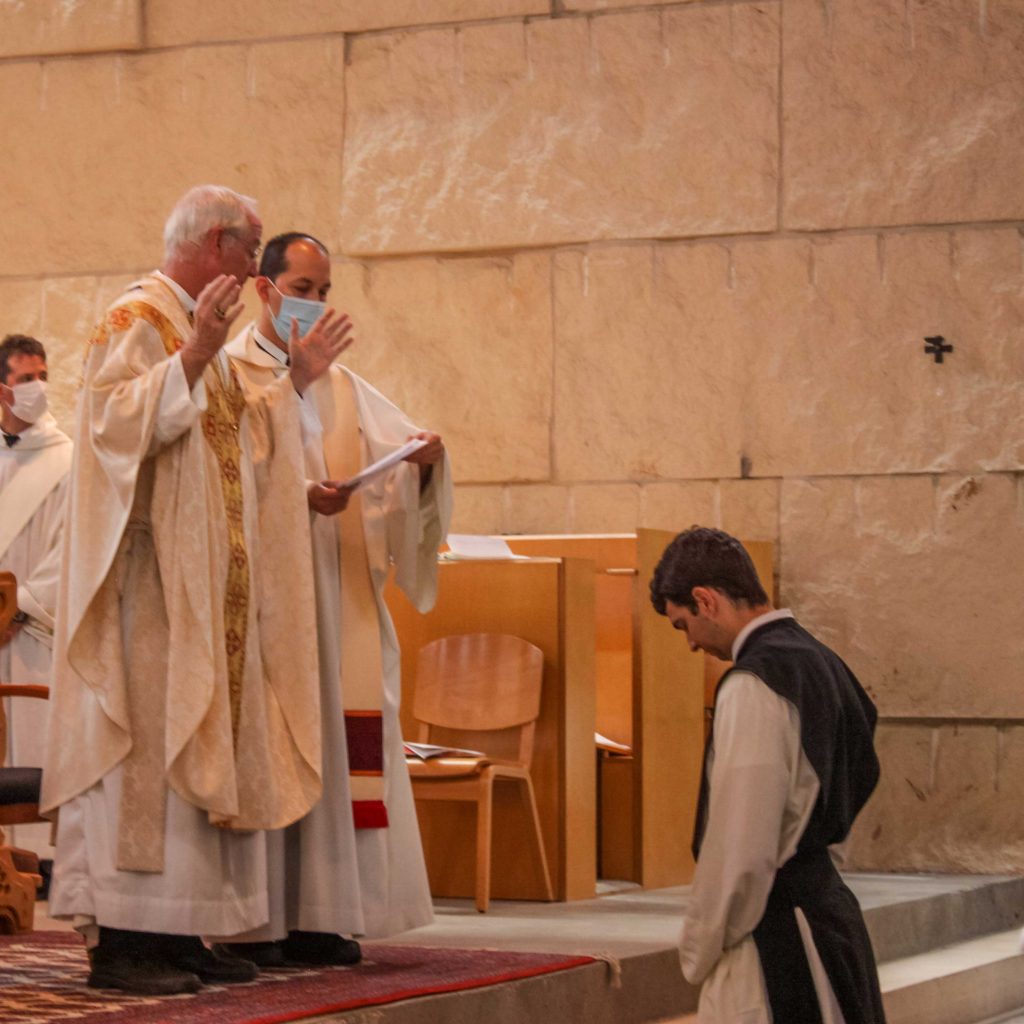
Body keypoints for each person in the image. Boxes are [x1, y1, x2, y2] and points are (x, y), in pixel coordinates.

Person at [40, 186, 353, 996]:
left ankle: (176, 929)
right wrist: (194, 358)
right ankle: (125, 942)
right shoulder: (140, 317)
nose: (255, 266)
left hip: (203, 590)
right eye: (250, 249)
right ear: (216, 242)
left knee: (194, 757)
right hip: (145, 589)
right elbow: (109, 425)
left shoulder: (195, 324)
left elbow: (239, 446)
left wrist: (296, 382)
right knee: (147, 759)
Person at [219, 231, 451, 965]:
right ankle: (258, 921)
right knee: (274, 745)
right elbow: (216, 484)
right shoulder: (229, 374)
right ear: (264, 289)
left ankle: (321, 913)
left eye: (324, 291)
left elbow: (390, 474)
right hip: (263, 607)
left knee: (335, 741)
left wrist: (424, 465)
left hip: (338, 595)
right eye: (303, 288)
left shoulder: (345, 386)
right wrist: (297, 497)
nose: (315, 304)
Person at [649, 527, 886, 1024]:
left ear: (704, 600)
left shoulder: (755, 681)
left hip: (775, 935)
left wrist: (699, 945)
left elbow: (742, 841)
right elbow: (857, 778)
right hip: (828, 914)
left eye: (681, 625)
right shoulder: (824, 662)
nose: (690, 644)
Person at [0, 335, 73, 865]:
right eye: (26, 379)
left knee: (38, 739)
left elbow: (73, 544)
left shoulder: (67, 460)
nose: (37, 388)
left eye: (42, 375)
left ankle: (40, 859)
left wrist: (16, 604)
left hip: (32, 629)